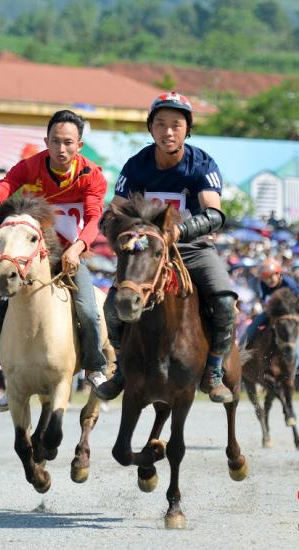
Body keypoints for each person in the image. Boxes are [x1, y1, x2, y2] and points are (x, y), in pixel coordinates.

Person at [0, 109, 110, 412]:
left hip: (68, 258)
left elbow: (95, 219)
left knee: (89, 310)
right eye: (55, 141)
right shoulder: (29, 167)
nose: (61, 149)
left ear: (79, 145)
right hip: (28, 259)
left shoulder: (91, 176)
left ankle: (95, 368)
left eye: (68, 142)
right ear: (46, 141)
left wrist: (77, 248)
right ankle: (11, 379)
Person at [94, 92, 235, 403]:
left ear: (187, 130)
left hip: (191, 248)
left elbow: (214, 213)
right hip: (146, 250)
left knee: (224, 300)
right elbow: (113, 213)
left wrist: (179, 230)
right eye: (160, 124)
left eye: (176, 125)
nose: (168, 131)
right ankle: (119, 370)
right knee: (113, 305)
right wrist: (114, 229)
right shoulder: (136, 165)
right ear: (151, 128)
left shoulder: (202, 164)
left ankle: (213, 371)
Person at [240, 258, 299, 347]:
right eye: (265, 278)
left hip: (291, 312)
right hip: (272, 311)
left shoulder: (289, 284)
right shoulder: (263, 284)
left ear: (278, 273)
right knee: (252, 327)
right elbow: (264, 299)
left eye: (270, 277)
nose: (268, 281)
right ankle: (241, 349)